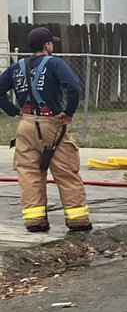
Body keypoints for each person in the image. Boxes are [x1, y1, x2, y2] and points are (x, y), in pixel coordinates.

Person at [0, 28, 91, 232]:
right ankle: (78, 221)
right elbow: (73, 87)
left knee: (29, 173)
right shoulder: (55, 63)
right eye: (52, 43)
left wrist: (12, 111)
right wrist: (69, 112)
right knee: (66, 171)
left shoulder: (17, 67)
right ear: (47, 45)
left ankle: (35, 221)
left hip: (25, 124)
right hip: (51, 123)